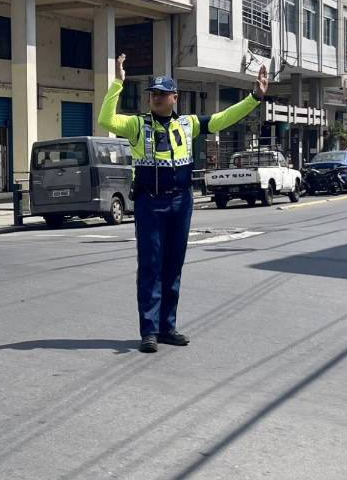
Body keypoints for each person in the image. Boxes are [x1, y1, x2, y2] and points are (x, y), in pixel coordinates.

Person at [97, 54, 269, 353]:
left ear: (174, 98)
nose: (156, 98)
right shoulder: (138, 125)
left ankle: (167, 327)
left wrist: (254, 97)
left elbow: (222, 119)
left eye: (162, 94)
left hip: (181, 201)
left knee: (173, 266)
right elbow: (106, 120)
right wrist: (117, 84)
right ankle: (149, 331)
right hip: (150, 202)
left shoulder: (189, 124)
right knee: (150, 266)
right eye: (153, 94)